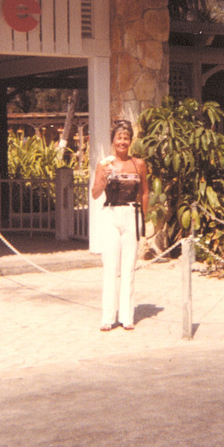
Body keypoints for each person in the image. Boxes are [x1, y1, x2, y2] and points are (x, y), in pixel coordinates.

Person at [91, 119, 149, 332]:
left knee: (129, 267)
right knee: (111, 267)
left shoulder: (139, 164)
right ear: (113, 140)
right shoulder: (104, 164)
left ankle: (127, 317)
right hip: (111, 214)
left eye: (126, 138)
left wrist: (142, 218)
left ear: (130, 141)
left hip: (131, 214)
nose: (122, 142)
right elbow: (95, 193)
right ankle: (108, 317)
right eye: (119, 138)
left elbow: (144, 192)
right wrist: (104, 180)